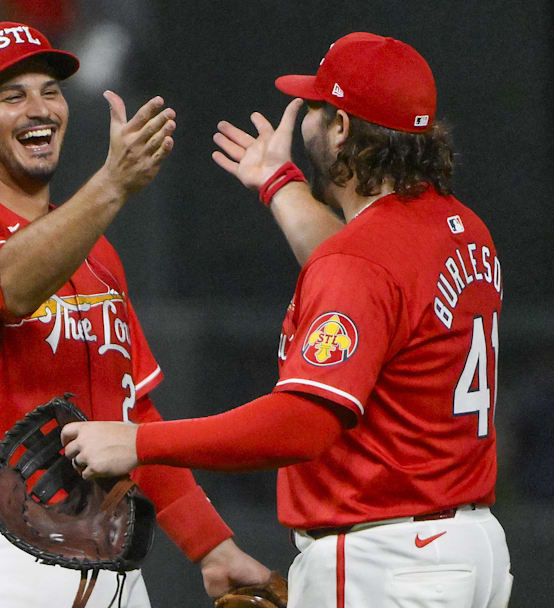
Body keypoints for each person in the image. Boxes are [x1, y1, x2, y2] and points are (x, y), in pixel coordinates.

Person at [62, 32, 513, 607]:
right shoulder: (462, 230)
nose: (307, 120)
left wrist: (140, 442)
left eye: (318, 108)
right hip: (468, 549)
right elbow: (368, 275)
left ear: (344, 128)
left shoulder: (362, 260)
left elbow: (302, 422)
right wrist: (279, 182)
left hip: (386, 558)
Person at [0, 20, 269, 608]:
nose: (38, 108)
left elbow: (134, 416)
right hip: (2, 551)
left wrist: (211, 547)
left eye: (50, 91)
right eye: (12, 95)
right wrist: (112, 186)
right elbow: (5, 290)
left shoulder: (96, 249)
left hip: (115, 559)